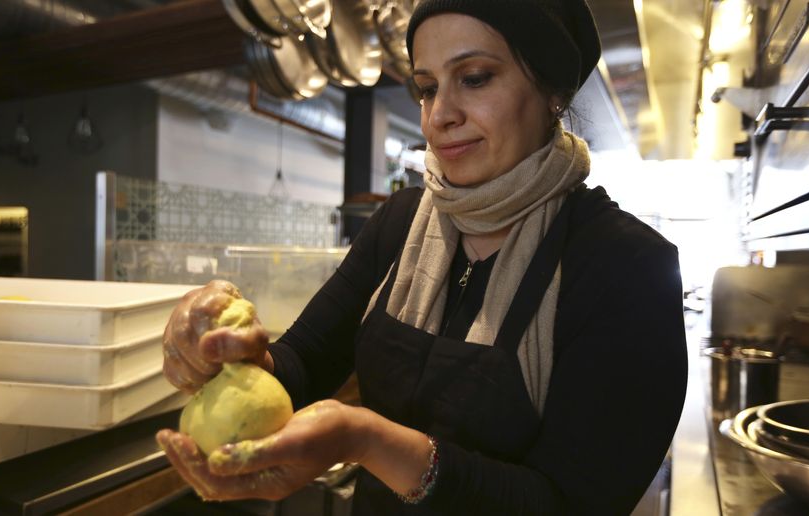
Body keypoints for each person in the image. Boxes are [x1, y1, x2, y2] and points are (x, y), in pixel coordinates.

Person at [156, 0, 689, 513]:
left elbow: (570, 503)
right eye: (427, 88)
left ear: (552, 91)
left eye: (475, 77)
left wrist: (367, 439)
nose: (439, 116)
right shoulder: (401, 223)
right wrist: (234, 357)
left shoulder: (627, 268)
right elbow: (303, 362)